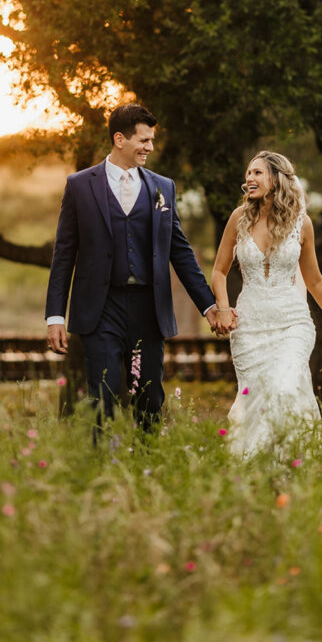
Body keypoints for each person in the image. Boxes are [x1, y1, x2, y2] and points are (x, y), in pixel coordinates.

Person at [45, 103, 220, 431]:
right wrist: (55, 315)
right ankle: (104, 470)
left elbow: (179, 252)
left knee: (149, 397)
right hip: (101, 309)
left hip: (147, 309)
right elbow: (64, 254)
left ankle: (146, 467)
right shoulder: (80, 185)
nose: (150, 148)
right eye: (143, 140)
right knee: (103, 395)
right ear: (120, 139)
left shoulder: (162, 187)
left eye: (152, 140)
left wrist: (208, 305)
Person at [211, 151, 322, 460]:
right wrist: (222, 307)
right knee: (255, 399)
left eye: (258, 173)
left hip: (292, 323)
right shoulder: (238, 218)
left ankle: (289, 462)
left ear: (277, 179)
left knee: (284, 387)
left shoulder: (303, 225)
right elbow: (219, 271)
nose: (250, 178)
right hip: (249, 327)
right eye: (248, 173)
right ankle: (253, 466)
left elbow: (314, 281)